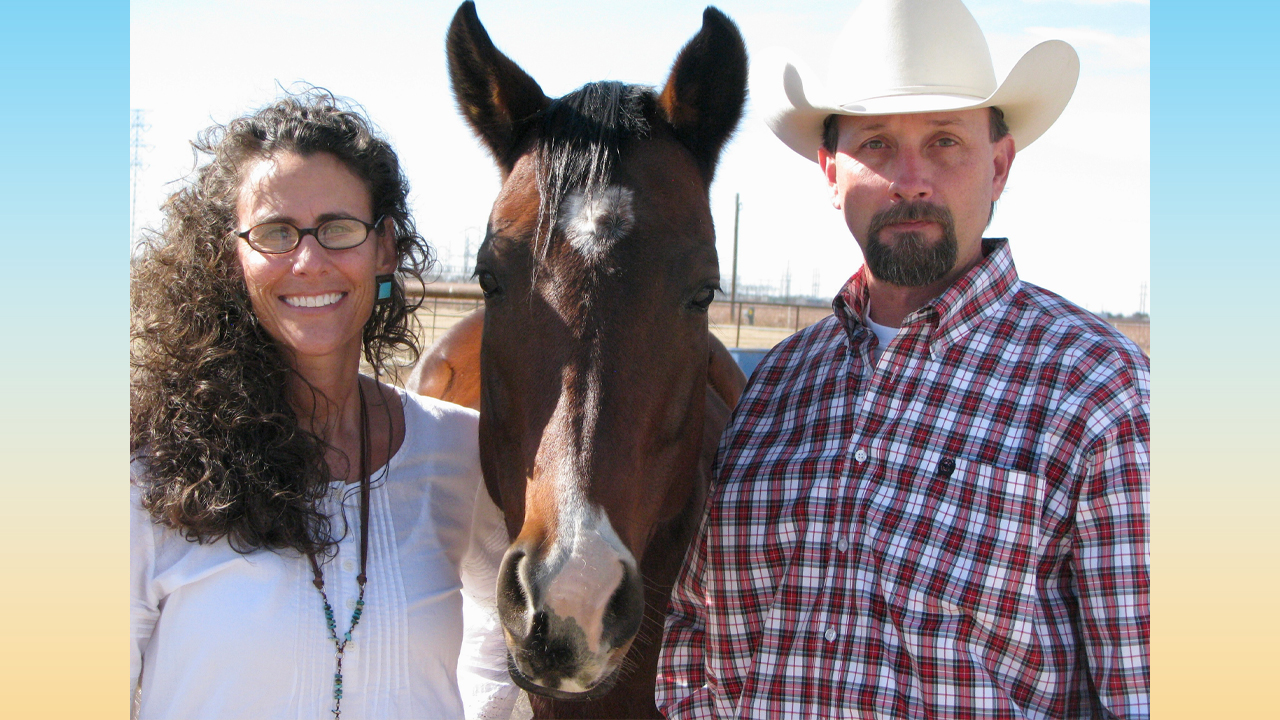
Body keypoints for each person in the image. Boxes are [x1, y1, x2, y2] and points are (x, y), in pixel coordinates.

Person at [657, 0, 1149, 718]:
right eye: (878, 145)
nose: (911, 177)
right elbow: (694, 639)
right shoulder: (774, 393)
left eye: (946, 141)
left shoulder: (1101, 393)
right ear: (831, 171)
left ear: (1000, 165)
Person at [130, 90, 517, 720]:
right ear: (232, 259)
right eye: (275, 233)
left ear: (384, 249)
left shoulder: (461, 452)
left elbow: (501, 634)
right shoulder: (144, 468)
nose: (309, 261)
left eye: (339, 229)